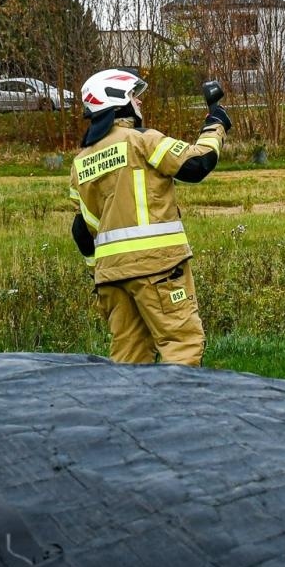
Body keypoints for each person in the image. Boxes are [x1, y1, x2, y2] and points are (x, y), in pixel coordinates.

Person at [68, 68, 230, 365]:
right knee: (181, 345)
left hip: (111, 279)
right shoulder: (141, 140)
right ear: (117, 100)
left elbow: (82, 230)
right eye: (133, 96)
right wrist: (216, 124)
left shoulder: (81, 162)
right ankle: (177, 399)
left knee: (128, 359)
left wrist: (97, 272)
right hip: (158, 268)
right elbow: (197, 165)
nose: (139, 102)